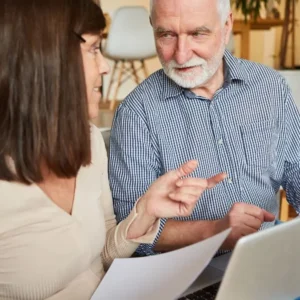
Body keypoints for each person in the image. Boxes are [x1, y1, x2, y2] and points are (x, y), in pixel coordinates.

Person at [0, 0, 226, 299]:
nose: (105, 66)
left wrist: (145, 211)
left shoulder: (87, 140)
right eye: (94, 49)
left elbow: (102, 259)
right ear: (47, 58)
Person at [109, 0, 300, 257]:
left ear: (226, 25)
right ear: (153, 27)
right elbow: (131, 233)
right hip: (185, 271)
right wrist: (215, 231)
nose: (181, 54)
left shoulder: (269, 87)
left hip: (266, 254)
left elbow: (296, 169)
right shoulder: (136, 114)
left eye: (197, 33)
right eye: (166, 35)